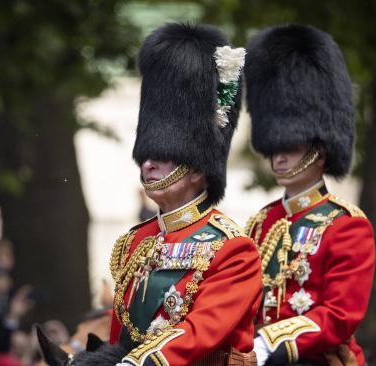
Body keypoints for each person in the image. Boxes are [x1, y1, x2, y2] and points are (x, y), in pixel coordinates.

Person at [108, 23, 263, 365]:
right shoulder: (136, 242)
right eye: (146, 156)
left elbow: (199, 333)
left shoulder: (232, 250)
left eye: (161, 157)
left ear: (196, 168)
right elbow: (120, 338)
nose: (147, 165)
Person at [244, 24, 376, 365]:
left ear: (319, 151)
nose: (279, 157)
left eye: (290, 147)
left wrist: (271, 342)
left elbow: (340, 314)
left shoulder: (345, 225)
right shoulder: (261, 223)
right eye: (275, 148)